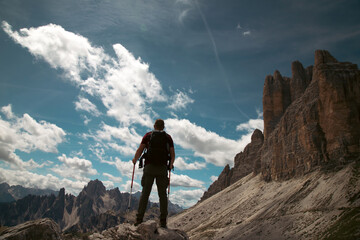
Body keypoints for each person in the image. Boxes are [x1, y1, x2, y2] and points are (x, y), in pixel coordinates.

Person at [132, 119, 175, 228]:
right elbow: (172, 154)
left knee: (145, 193)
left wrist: (134, 160)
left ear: (154, 125)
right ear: (163, 127)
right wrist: (170, 164)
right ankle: (163, 221)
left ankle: (139, 219)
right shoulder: (168, 137)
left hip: (149, 167)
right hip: (162, 168)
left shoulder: (148, 136)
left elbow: (140, 150)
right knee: (162, 195)